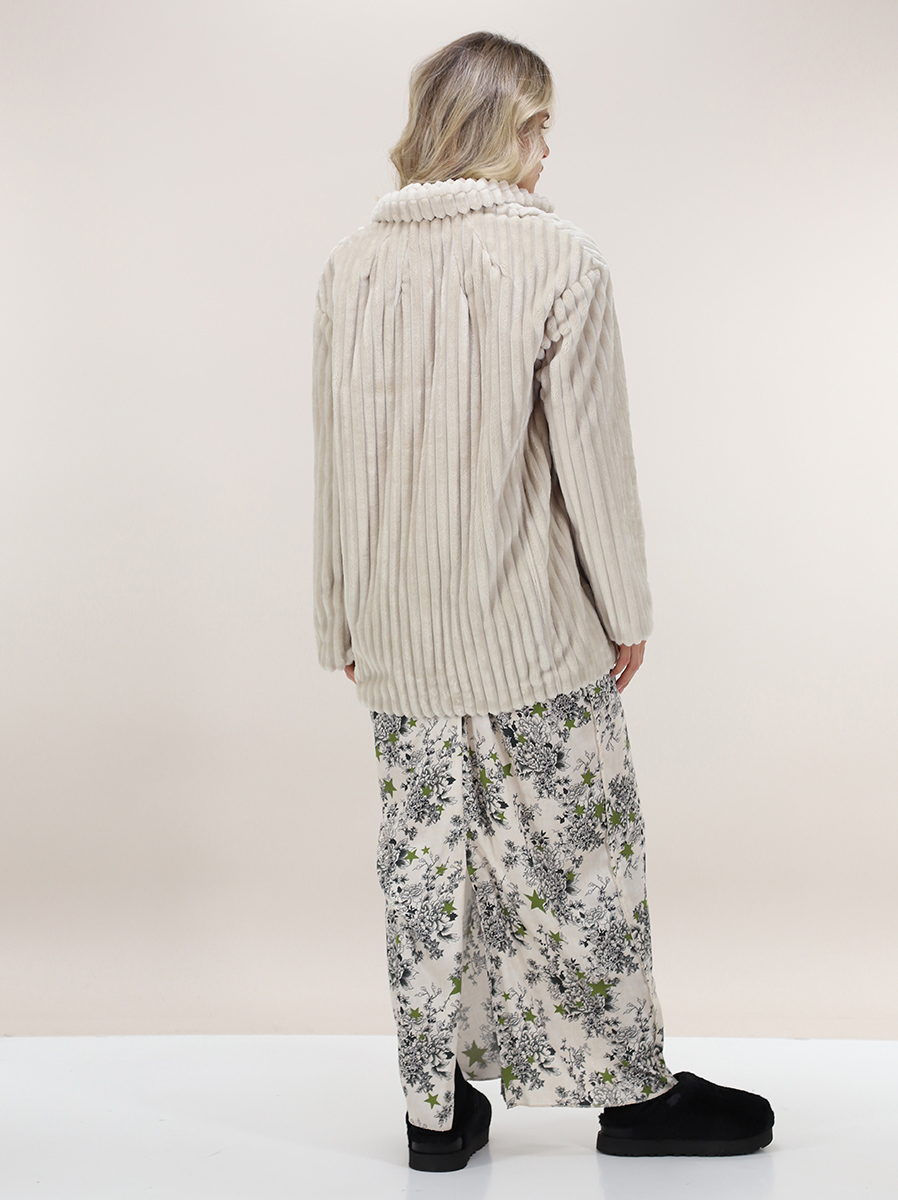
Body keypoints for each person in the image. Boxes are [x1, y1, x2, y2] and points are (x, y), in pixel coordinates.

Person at [312, 30, 774, 1172]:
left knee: (429, 876)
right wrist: (626, 609)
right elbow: (592, 461)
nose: (548, 148)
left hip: (400, 640)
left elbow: (336, 457)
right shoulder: (559, 257)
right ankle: (633, 1096)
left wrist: (339, 619)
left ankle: (436, 1114)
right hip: (531, 631)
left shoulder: (348, 266)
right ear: (495, 127)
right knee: (580, 866)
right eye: (537, 125)